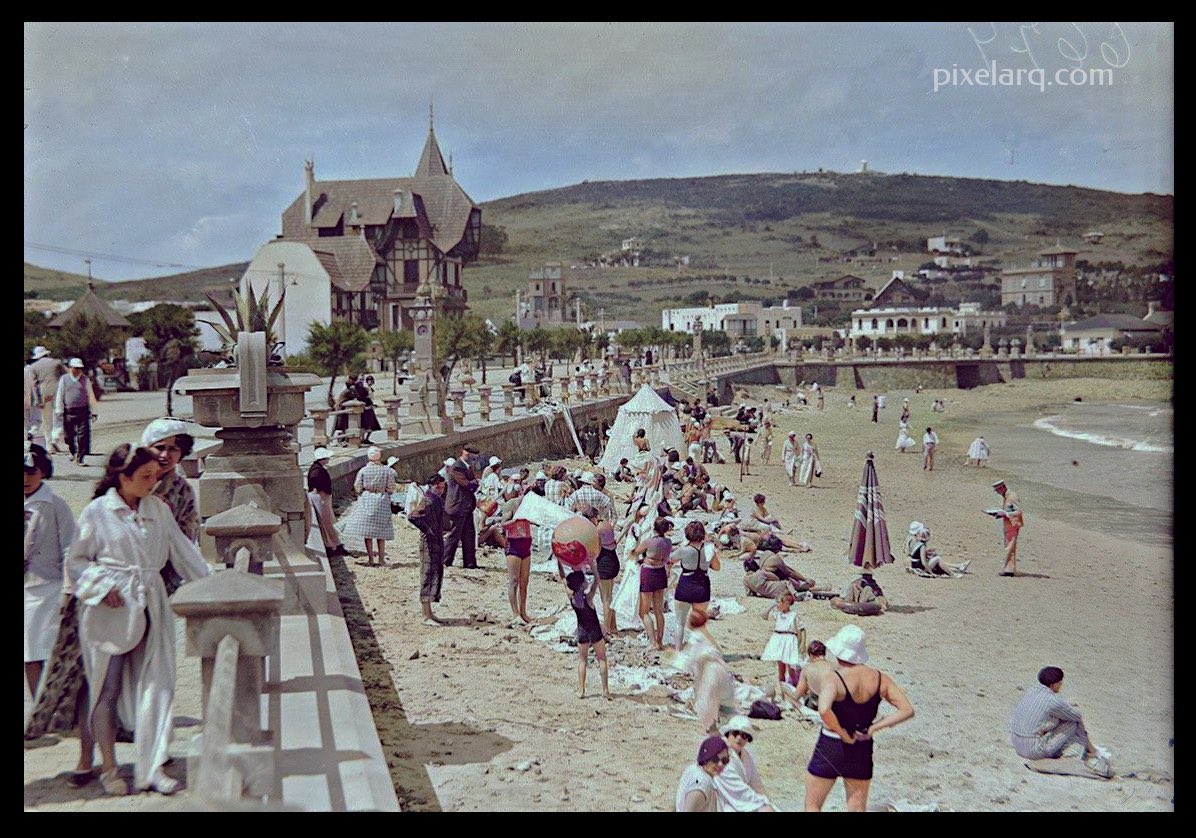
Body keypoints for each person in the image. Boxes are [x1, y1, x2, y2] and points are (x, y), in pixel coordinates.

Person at [69, 444, 211, 796]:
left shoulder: (158, 510)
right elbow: (76, 561)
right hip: (109, 609)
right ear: (123, 476)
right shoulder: (97, 512)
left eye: (155, 475)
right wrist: (101, 586)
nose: (153, 481)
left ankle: (152, 766)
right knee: (106, 686)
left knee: (158, 685)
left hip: (151, 600)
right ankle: (109, 766)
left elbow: (184, 553)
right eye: (145, 476)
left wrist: (213, 587)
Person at [804, 625, 915, 812]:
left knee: (813, 804)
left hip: (831, 743)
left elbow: (824, 710)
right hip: (862, 744)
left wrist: (841, 732)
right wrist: (874, 728)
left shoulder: (834, 678)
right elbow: (907, 710)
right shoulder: (879, 678)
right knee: (856, 808)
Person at [25, 443, 75, 697]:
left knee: (48, 651)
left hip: (48, 589)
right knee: (28, 654)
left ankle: (54, 706)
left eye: (31, 472)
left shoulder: (55, 505)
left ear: (43, 472)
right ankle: (38, 710)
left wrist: (68, 588)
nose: (25, 478)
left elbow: (70, 547)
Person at [1008, 666, 1111, 777]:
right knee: (1073, 721)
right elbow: (1076, 716)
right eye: (1060, 683)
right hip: (1033, 751)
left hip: (1016, 742)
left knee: (1060, 718)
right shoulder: (1052, 701)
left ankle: (1089, 747)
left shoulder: (1031, 691)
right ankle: (1089, 749)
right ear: (1053, 685)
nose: (1061, 685)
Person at [141, 418, 202, 596]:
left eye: (173, 449)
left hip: (163, 575)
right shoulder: (127, 480)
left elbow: (186, 536)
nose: (165, 455)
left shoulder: (183, 491)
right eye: (159, 447)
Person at [684, 611, 736, 734]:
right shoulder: (706, 634)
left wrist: (675, 660)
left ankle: (711, 726)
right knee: (721, 696)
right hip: (720, 668)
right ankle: (724, 721)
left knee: (708, 698)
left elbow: (691, 658)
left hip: (710, 670)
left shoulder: (695, 636)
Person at [343, 447, 397, 567]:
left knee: (368, 532)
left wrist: (363, 492)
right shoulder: (387, 470)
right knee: (381, 531)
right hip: (382, 499)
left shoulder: (363, 470)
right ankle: (381, 559)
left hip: (367, 498)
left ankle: (371, 559)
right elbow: (392, 487)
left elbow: (357, 486)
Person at [673, 520, 719, 651]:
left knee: (680, 623)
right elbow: (717, 567)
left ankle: (678, 652)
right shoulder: (709, 549)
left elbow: (669, 559)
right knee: (699, 624)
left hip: (685, 585)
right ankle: (696, 652)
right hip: (702, 585)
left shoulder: (684, 550)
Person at [408, 473, 447, 625]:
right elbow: (413, 517)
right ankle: (426, 614)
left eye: (442, 486)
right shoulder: (428, 500)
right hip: (429, 541)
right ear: (432, 486)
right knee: (428, 573)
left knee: (435, 571)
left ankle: (429, 612)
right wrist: (428, 530)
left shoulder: (434, 499)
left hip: (436, 539)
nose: (441, 489)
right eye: (438, 486)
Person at [715, 716, 776, 811]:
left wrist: (767, 802)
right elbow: (737, 790)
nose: (739, 738)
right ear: (728, 734)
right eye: (735, 733)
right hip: (724, 801)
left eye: (744, 736)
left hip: (743, 799)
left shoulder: (746, 756)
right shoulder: (722, 756)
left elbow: (756, 784)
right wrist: (762, 803)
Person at [565, 571, 610, 699]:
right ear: (582, 585)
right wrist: (593, 565)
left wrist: (560, 563)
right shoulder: (589, 598)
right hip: (595, 630)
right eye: (585, 580)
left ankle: (581, 690)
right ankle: (605, 690)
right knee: (602, 658)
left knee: (582, 660)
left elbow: (564, 579)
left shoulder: (572, 598)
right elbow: (597, 580)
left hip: (582, 631)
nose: (587, 581)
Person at [630, 517, 673, 650]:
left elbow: (634, 552)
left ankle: (653, 641)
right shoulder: (668, 542)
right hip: (660, 572)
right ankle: (660, 641)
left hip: (648, 573)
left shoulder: (649, 542)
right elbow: (666, 559)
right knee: (658, 610)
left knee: (644, 611)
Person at [55, 358, 99, 465]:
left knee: (83, 435)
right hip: (68, 411)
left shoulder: (85, 380)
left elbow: (90, 395)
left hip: (83, 411)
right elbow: (60, 395)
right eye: (75, 368)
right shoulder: (64, 379)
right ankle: (72, 450)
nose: (78, 370)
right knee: (68, 436)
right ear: (71, 368)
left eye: (80, 368)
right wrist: (59, 410)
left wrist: (94, 411)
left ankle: (80, 458)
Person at [443, 444, 480, 568]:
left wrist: (473, 483)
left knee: (469, 535)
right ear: (468, 454)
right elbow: (468, 485)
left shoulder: (466, 467)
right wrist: (474, 483)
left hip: (466, 506)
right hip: (458, 506)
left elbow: (472, 485)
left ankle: (470, 563)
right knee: (454, 535)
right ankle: (445, 560)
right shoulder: (457, 467)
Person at [760, 592, 803, 692]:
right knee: (781, 667)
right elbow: (764, 616)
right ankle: (782, 687)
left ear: (787, 603)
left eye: (779, 602)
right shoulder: (778, 614)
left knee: (790, 666)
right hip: (779, 640)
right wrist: (772, 605)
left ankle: (795, 686)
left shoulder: (794, 615)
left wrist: (801, 644)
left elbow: (801, 630)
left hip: (789, 640)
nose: (778, 605)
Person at [676, 735, 731, 812]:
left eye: (725, 760)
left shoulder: (693, 768)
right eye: (715, 759)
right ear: (706, 758)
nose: (720, 764)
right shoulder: (703, 783)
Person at [30, 346, 65, 453]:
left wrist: (36, 400)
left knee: (47, 420)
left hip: (43, 393)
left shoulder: (34, 366)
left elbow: (33, 385)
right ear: (46, 354)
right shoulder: (57, 362)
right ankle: (56, 436)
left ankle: (49, 445)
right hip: (58, 390)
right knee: (60, 415)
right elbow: (67, 375)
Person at [906, 521, 970, 577]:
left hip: (915, 564)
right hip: (919, 567)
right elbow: (923, 561)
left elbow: (914, 553)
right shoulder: (920, 544)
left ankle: (958, 567)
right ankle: (953, 574)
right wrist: (931, 573)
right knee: (938, 559)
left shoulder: (913, 540)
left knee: (936, 560)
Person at [988, 479, 1024, 576]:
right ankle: (1009, 569)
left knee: (1009, 547)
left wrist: (1005, 514)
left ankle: (1009, 570)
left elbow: (1019, 511)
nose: (998, 493)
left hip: (1013, 524)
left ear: (1002, 488)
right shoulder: (1006, 496)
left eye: (998, 490)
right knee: (1009, 547)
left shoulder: (1012, 496)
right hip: (1009, 524)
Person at [786, 640, 833, 712]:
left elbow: (797, 695)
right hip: (834, 705)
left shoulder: (807, 669)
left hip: (816, 705)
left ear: (811, 655)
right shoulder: (835, 666)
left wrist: (788, 698)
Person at [356, 374, 381, 444]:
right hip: (365, 408)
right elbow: (363, 398)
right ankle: (362, 439)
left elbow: (370, 398)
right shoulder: (363, 388)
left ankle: (366, 438)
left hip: (370, 408)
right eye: (369, 381)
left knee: (372, 425)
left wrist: (372, 404)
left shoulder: (370, 389)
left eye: (371, 381)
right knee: (364, 425)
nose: (370, 382)